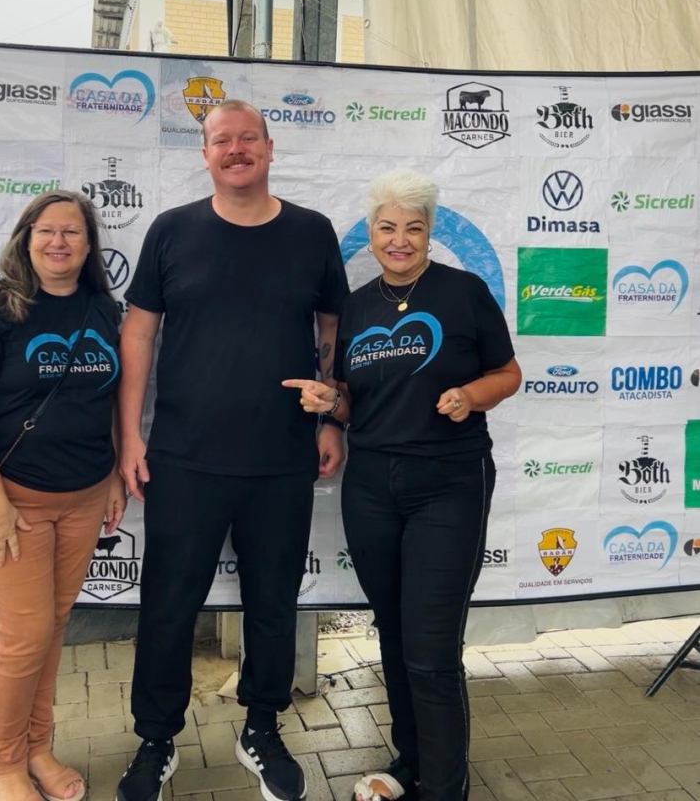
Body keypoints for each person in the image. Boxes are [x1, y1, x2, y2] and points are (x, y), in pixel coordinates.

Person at [116, 99, 349, 801]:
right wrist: (129, 435)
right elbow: (138, 334)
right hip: (183, 457)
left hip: (282, 456)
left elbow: (332, 326)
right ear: (206, 154)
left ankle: (262, 728)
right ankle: (156, 739)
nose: (237, 149)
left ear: (270, 149)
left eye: (249, 138)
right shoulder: (171, 230)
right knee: (168, 606)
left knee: (273, 602)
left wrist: (332, 416)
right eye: (223, 140)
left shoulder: (311, 231)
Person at [284, 169, 521, 801]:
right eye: (387, 227)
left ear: (429, 232)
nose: (399, 239)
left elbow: (508, 373)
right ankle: (411, 763)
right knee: (393, 634)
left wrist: (470, 395)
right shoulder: (356, 307)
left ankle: (445, 787)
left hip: (449, 482)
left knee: (431, 650)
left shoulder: (463, 292)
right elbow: (351, 400)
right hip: (371, 487)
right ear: (371, 232)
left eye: (413, 228)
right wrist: (327, 403)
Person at [0, 190, 125, 801]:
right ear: (26, 239)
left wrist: (114, 475)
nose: (58, 242)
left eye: (72, 232)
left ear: (89, 246)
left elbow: (107, 400)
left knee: (52, 628)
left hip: (85, 495)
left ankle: (38, 750)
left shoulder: (103, 309)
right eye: (46, 231)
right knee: (23, 638)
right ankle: (5, 767)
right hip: (13, 503)